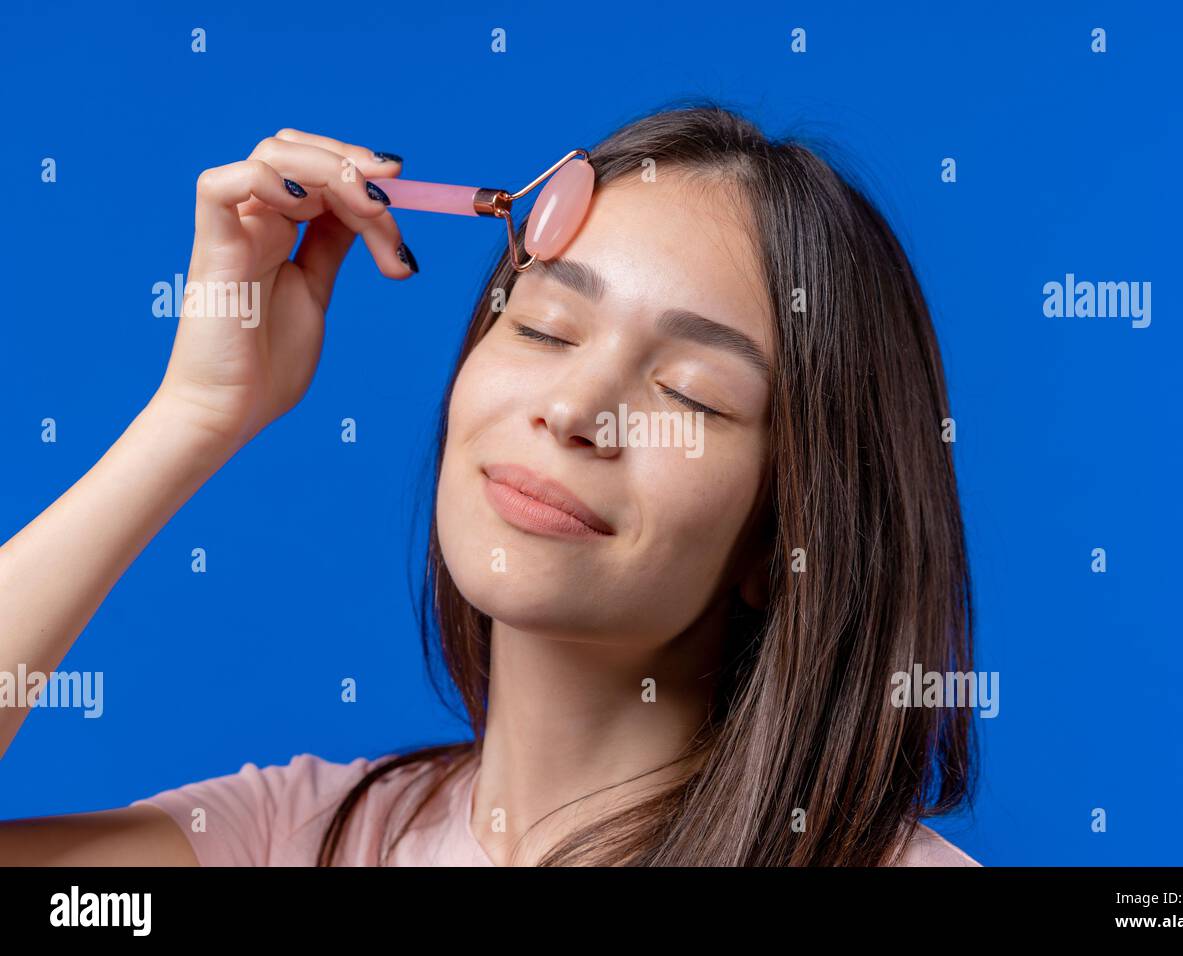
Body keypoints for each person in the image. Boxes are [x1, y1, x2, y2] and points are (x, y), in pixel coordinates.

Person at [0, 103, 980, 866]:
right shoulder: (288, 838)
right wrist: (196, 413)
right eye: (545, 328)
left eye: (689, 393)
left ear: (784, 536)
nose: (572, 408)